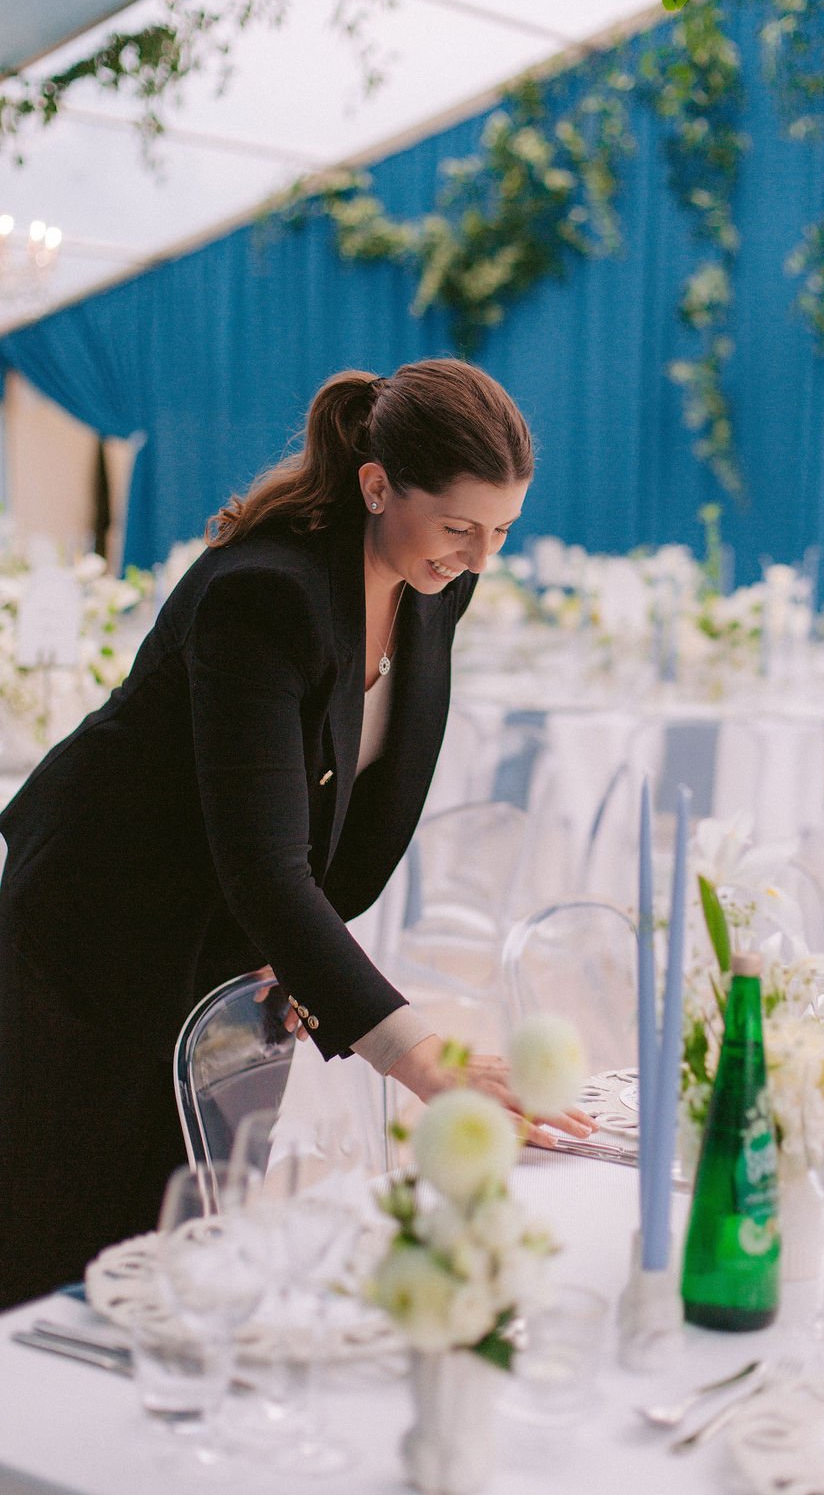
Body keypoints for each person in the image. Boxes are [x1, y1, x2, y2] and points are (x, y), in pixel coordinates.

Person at [0, 358, 594, 1309]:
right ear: (375, 486)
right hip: (98, 927)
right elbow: (266, 865)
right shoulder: (263, 595)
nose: (481, 557)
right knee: (67, 1249)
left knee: (196, 1230)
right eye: (460, 528)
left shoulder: (435, 581)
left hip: (238, 932)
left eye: (501, 533)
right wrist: (423, 1059)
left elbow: (358, 801)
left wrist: (302, 958)